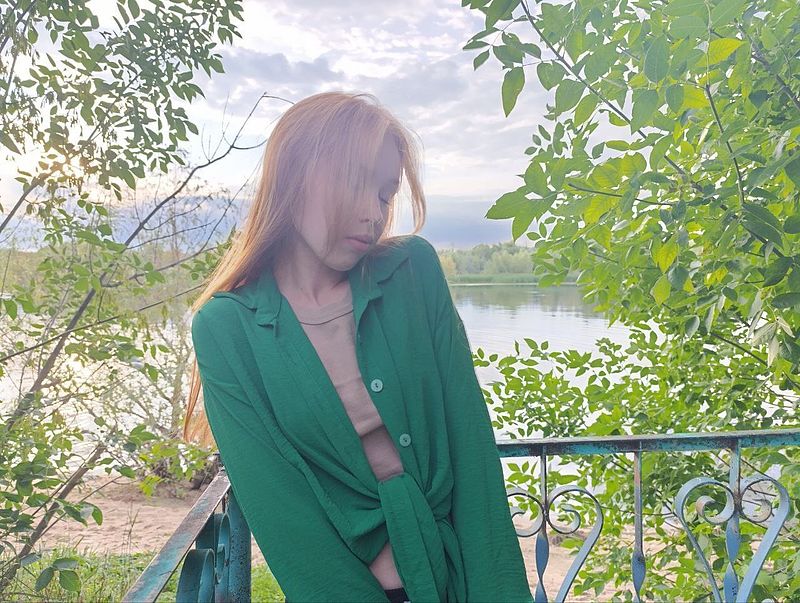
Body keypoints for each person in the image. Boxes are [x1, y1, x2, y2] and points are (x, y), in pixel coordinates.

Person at [185, 91, 533, 602]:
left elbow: (471, 448)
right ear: (294, 178)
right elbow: (284, 517)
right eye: (356, 183)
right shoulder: (225, 329)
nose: (374, 213)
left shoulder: (412, 273)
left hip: (457, 578)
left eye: (386, 194)